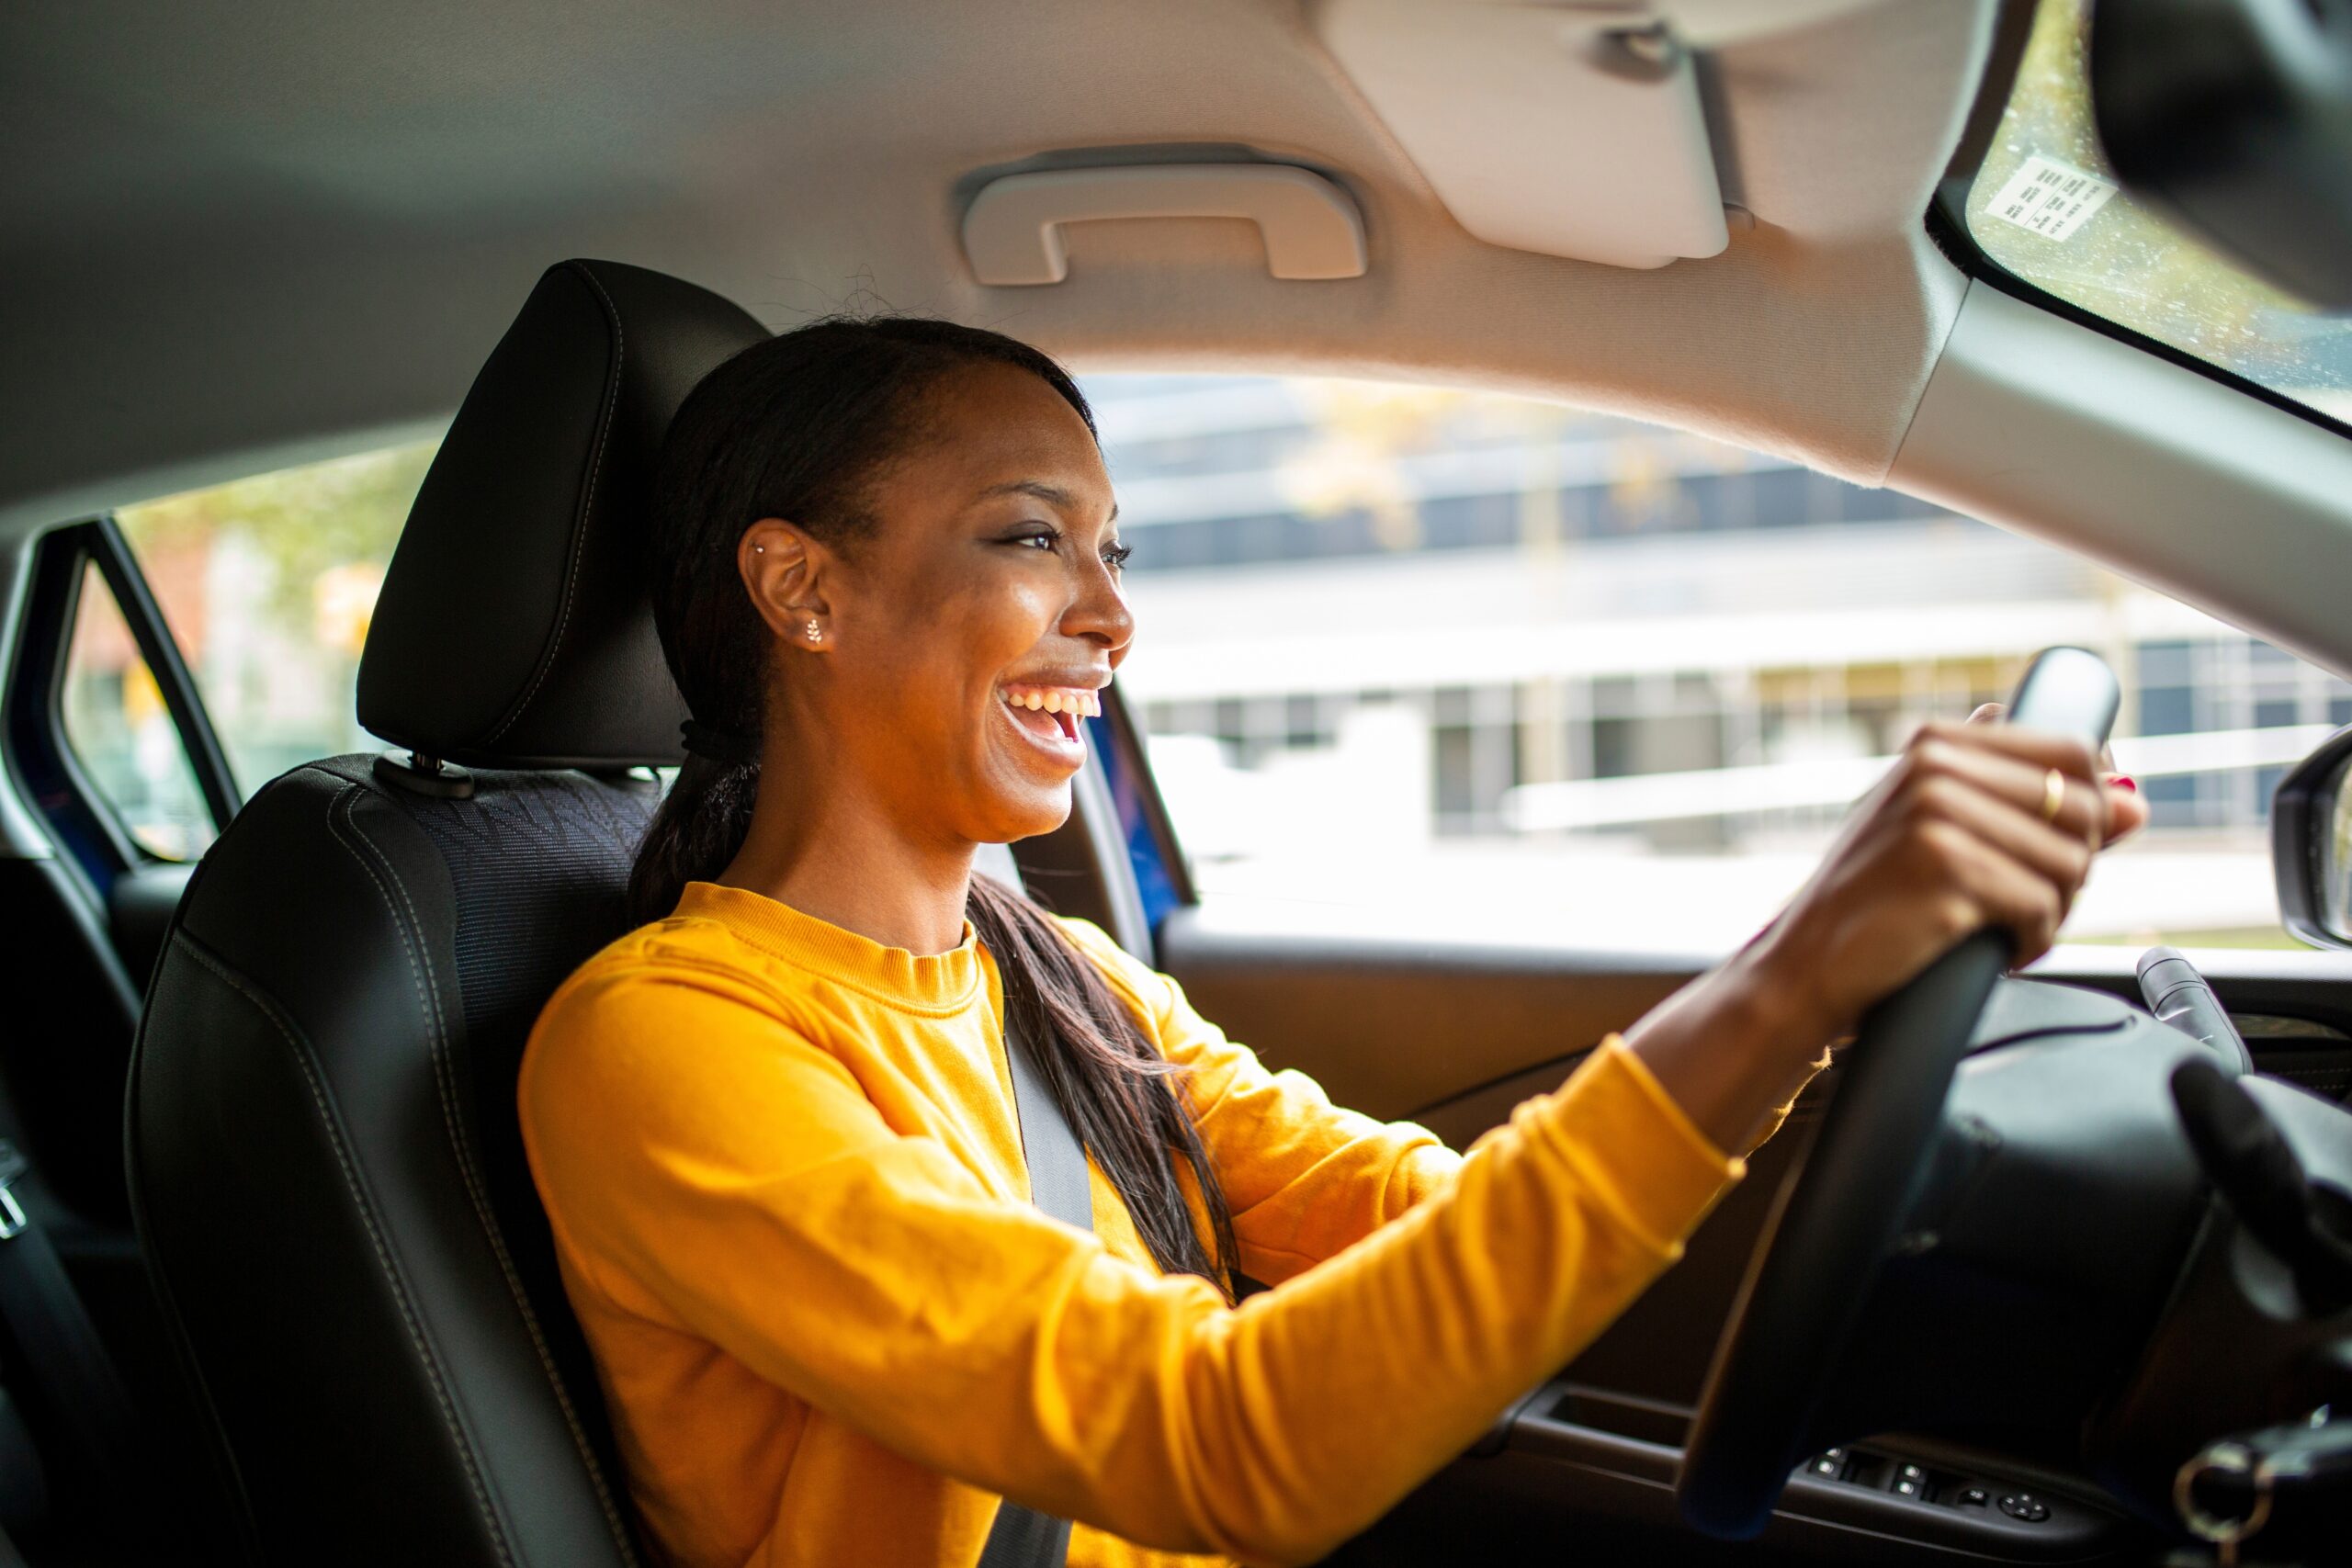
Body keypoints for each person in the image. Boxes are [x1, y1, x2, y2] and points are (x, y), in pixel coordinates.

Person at [516, 318, 2145, 1568]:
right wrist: (1799, 971)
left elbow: (1424, 1229)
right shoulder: (669, 1045)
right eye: (1031, 539)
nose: (1113, 616)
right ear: (802, 590)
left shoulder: (1064, 982)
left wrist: (1821, 968)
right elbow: (1222, 1439)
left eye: (1114, 551)